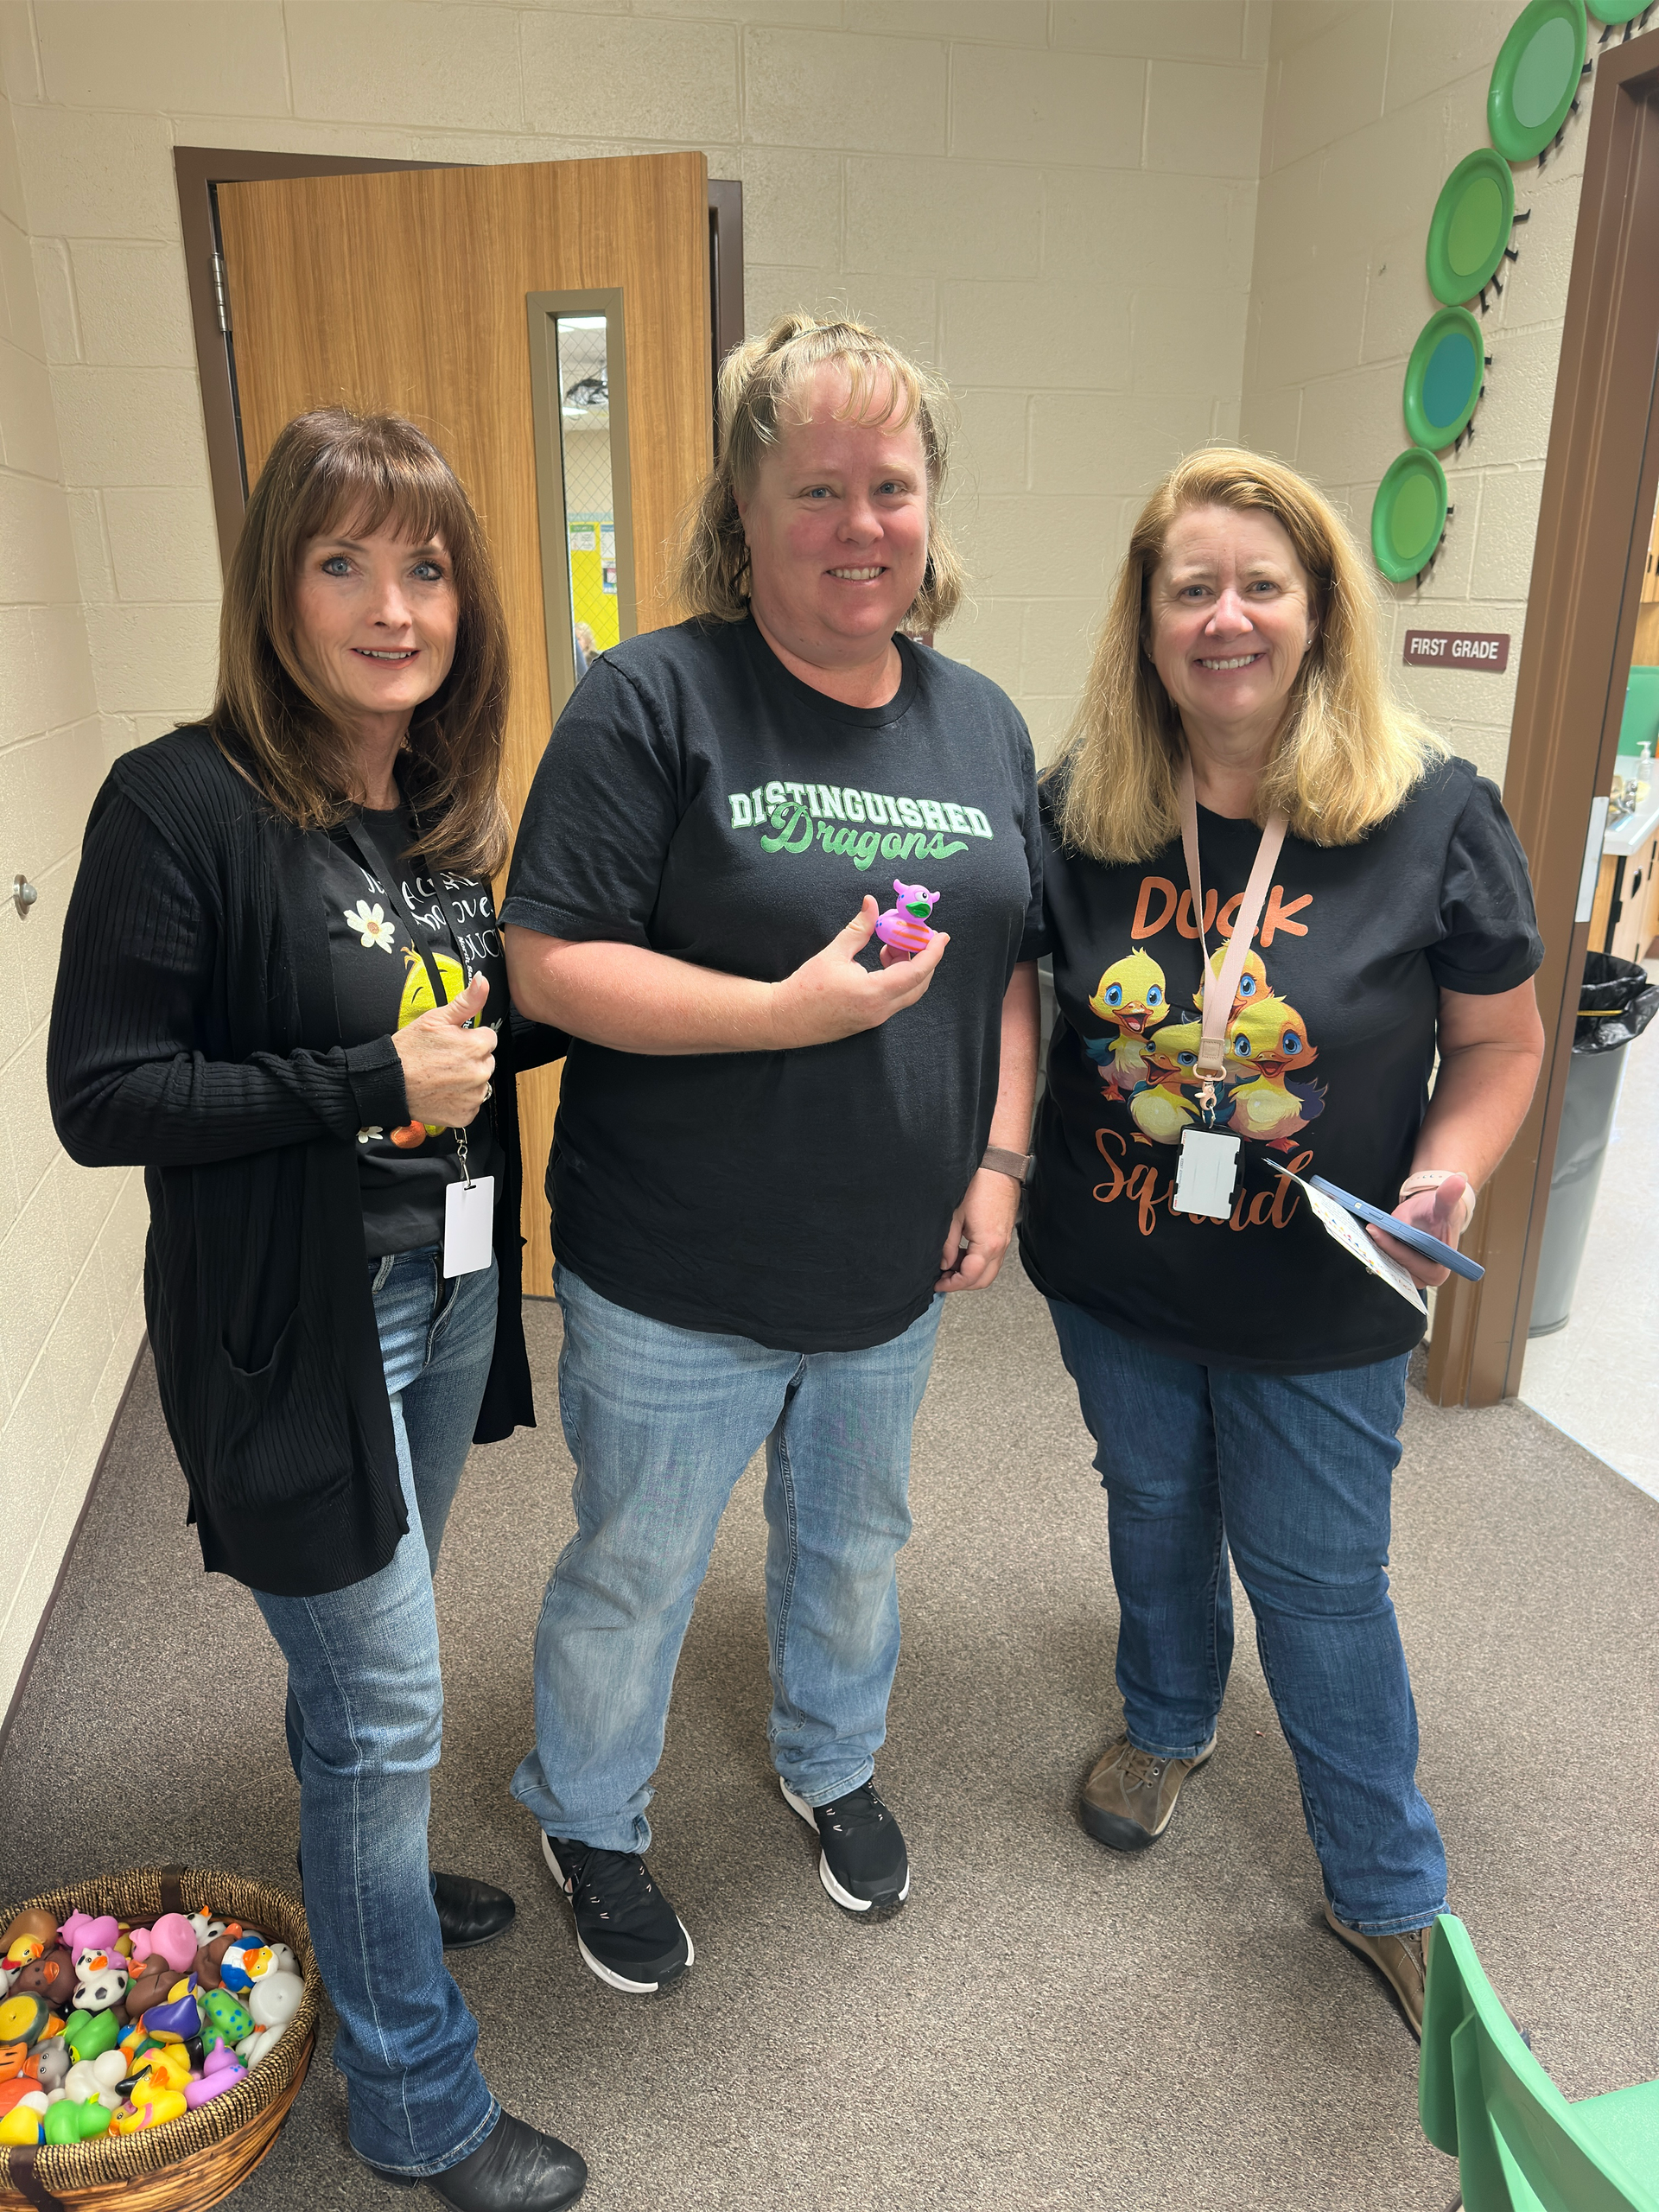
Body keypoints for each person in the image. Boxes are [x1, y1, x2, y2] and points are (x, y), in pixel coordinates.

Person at [48, 409, 585, 2210]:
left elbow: (477, 1028)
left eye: (425, 563)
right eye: (342, 559)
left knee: (372, 1674)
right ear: (274, 583)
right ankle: (418, 2099)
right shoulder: (178, 800)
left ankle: (366, 1882)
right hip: (297, 1324)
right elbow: (102, 1095)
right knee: (387, 1704)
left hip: (437, 1298)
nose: (392, 603)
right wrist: (363, 1078)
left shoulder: (433, 815)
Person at [502, 313, 1044, 1993]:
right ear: (745, 508)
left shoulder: (984, 723)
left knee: (855, 1535)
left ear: (932, 504)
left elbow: (1014, 963)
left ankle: (828, 1754)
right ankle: (587, 1808)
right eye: (816, 485)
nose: (860, 523)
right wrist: (785, 1014)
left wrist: (1000, 1158)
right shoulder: (653, 694)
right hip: (679, 1265)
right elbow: (552, 959)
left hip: (890, 1261)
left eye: (890, 483)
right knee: (641, 1556)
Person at [1021, 448, 1544, 2037]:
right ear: (1148, 616)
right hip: (1119, 1263)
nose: (1228, 616)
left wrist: (1451, 1171)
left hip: (1325, 1288)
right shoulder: (1084, 801)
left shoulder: (1431, 806)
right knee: (1154, 1505)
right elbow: (1008, 1002)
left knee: (1321, 1583)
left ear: (1319, 613)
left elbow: (1507, 1046)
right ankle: (1169, 1720)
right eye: (1194, 587)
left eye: (1264, 585)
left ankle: (1385, 1887)